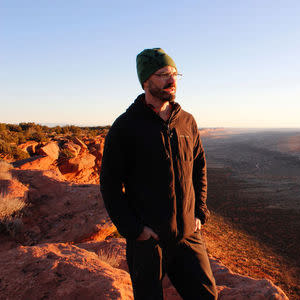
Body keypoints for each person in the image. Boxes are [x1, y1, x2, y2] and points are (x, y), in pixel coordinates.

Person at [100, 48, 217, 300]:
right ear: (145, 81)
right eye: (163, 74)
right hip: (149, 241)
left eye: (175, 74)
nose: (172, 80)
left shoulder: (186, 121)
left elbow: (199, 168)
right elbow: (109, 185)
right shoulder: (126, 127)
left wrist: (200, 212)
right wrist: (134, 229)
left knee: (207, 296)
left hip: (188, 235)